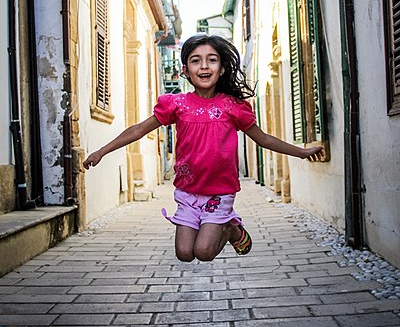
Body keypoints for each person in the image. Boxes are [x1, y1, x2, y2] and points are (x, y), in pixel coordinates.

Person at [83, 34, 324, 262]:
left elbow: (263, 139)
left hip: (219, 192)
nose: (204, 66)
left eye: (212, 60)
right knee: (185, 253)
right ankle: (224, 228)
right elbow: (138, 129)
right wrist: (102, 151)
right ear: (185, 71)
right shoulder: (176, 104)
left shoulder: (233, 106)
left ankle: (231, 230)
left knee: (204, 252)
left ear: (221, 69)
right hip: (188, 192)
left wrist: (302, 152)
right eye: (196, 61)